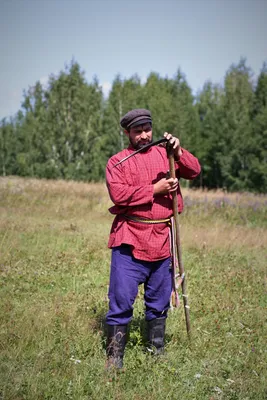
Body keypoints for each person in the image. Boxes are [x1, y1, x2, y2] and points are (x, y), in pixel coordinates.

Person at [105, 109, 201, 368]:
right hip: (130, 237)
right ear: (127, 133)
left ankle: (156, 352)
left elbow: (194, 170)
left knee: (159, 301)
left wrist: (179, 152)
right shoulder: (118, 162)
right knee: (122, 299)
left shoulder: (166, 153)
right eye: (138, 131)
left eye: (147, 129)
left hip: (162, 237)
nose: (145, 135)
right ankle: (115, 358)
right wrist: (154, 189)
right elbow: (119, 195)